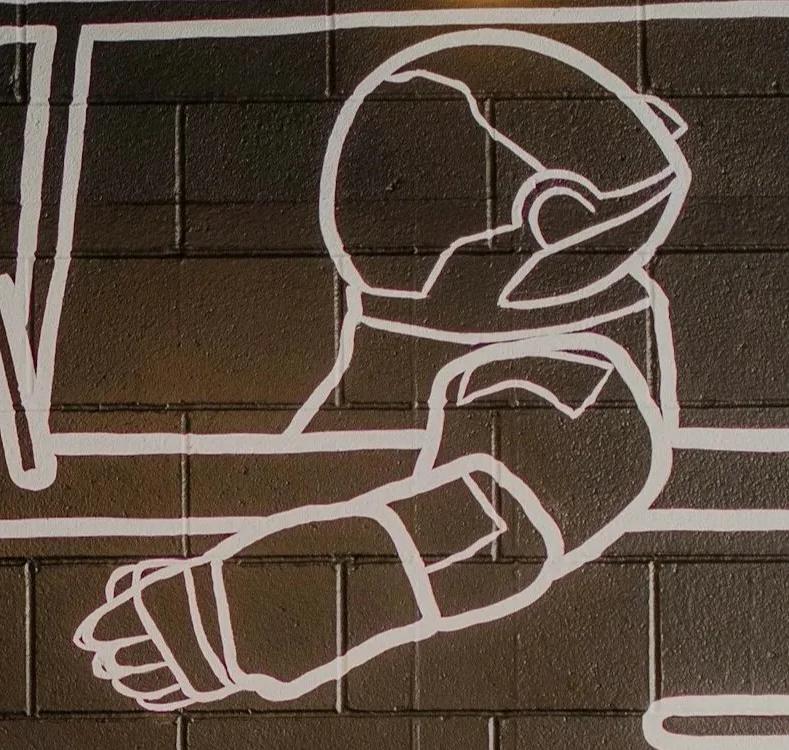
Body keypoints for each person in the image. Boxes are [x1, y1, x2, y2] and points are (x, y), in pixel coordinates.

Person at [74, 31, 687, 708]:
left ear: (553, 216)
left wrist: (237, 611)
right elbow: (346, 484)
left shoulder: (577, 371)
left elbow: (488, 522)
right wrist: (221, 570)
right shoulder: (410, 333)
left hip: (458, 713)